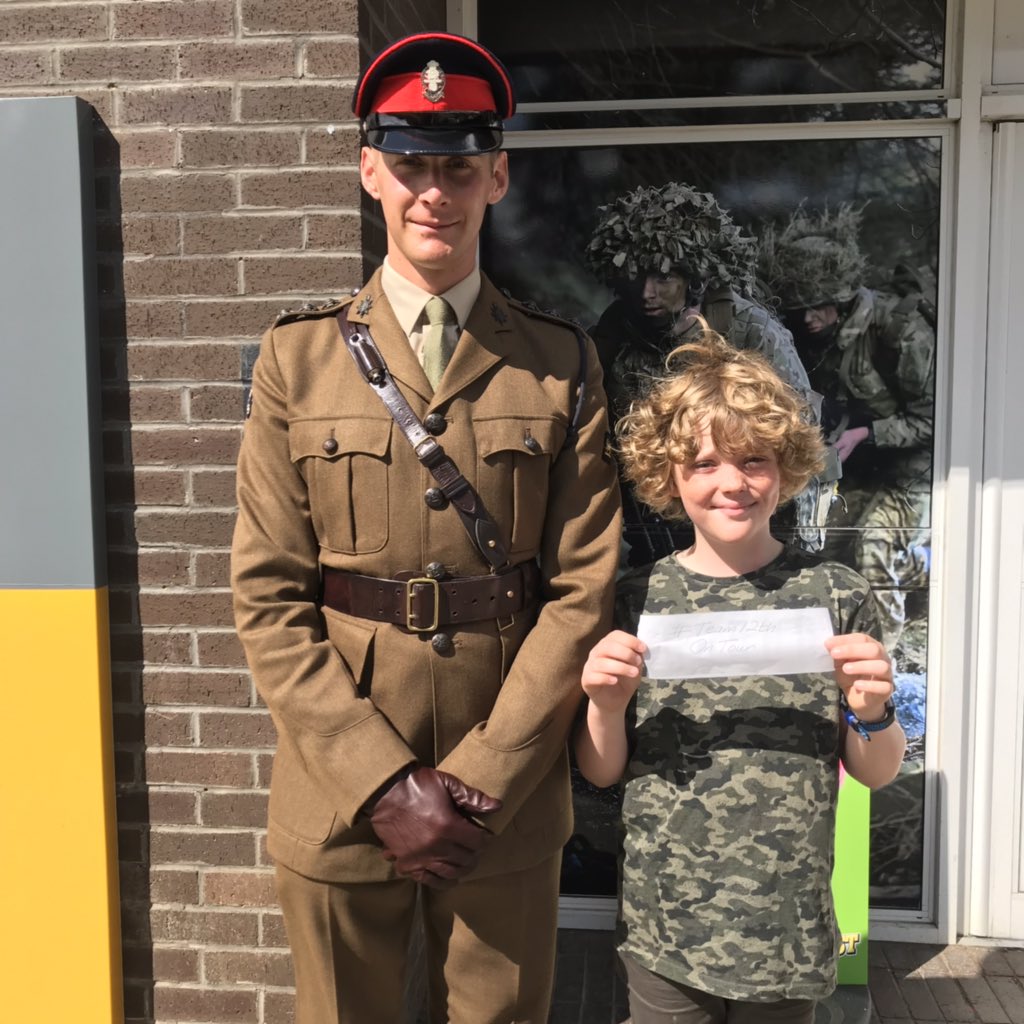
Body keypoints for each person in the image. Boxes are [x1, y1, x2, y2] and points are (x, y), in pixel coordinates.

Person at [230, 31, 622, 1024]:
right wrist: (382, 783)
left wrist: (483, 779)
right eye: (409, 165)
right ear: (371, 173)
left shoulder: (559, 362)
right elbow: (269, 598)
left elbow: (581, 588)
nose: (431, 192)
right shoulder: (298, 361)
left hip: (508, 791)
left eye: (456, 166)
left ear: (496, 175)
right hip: (338, 789)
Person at [574, 335, 906, 1023]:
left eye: (753, 459)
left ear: (785, 469)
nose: (731, 482)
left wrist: (872, 712)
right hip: (666, 927)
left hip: (789, 928)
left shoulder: (834, 593)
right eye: (703, 463)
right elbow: (603, 772)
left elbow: (873, 772)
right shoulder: (636, 598)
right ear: (669, 477)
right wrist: (604, 707)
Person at [584, 181, 836, 565]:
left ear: (692, 278)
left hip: (744, 508)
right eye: (637, 278)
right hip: (657, 515)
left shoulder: (746, 327)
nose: (647, 293)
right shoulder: (615, 331)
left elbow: (799, 428)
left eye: (663, 279)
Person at [759, 203, 935, 652]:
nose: (809, 319)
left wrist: (868, 434)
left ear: (843, 297)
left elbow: (938, 420)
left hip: (918, 470)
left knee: (874, 548)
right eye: (800, 309)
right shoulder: (808, 338)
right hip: (856, 469)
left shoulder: (902, 332)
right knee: (823, 550)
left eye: (820, 306)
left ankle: (883, 669)